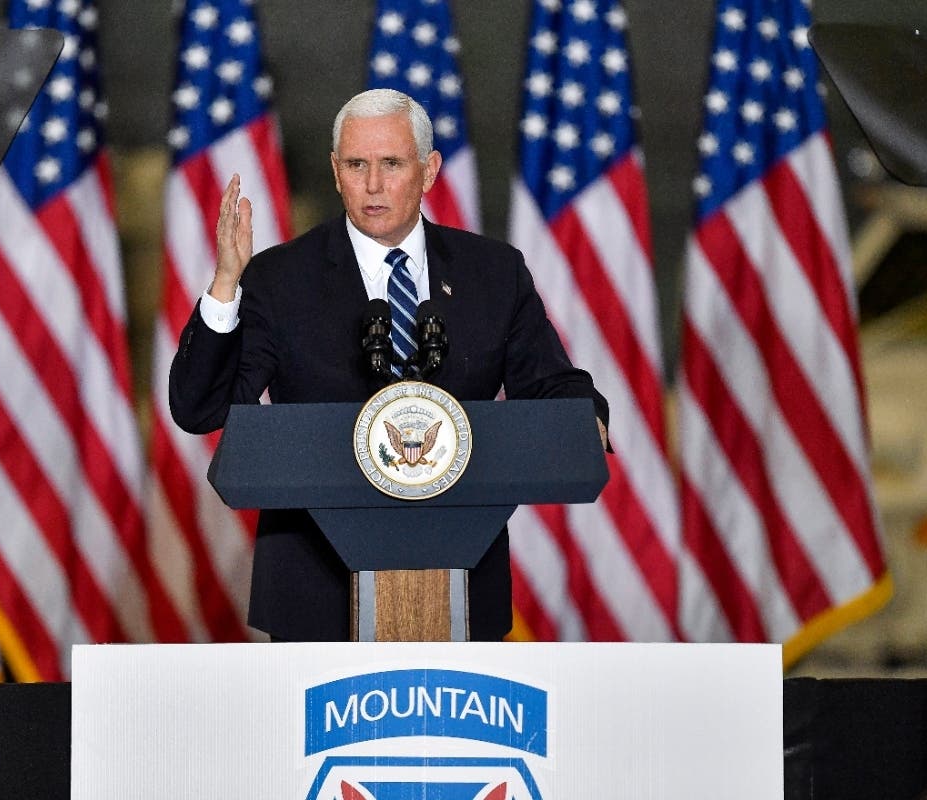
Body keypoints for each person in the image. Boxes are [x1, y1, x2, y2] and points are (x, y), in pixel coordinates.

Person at [169, 88, 609, 642]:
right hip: (315, 594)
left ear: (428, 171)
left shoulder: (492, 273)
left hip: (462, 588)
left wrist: (585, 416)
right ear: (335, 171)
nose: (373, 185)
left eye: (392, 164)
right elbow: (199, 407)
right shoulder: (281, 280)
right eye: (356, 165)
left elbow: (550, 382)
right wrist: (227, 283)